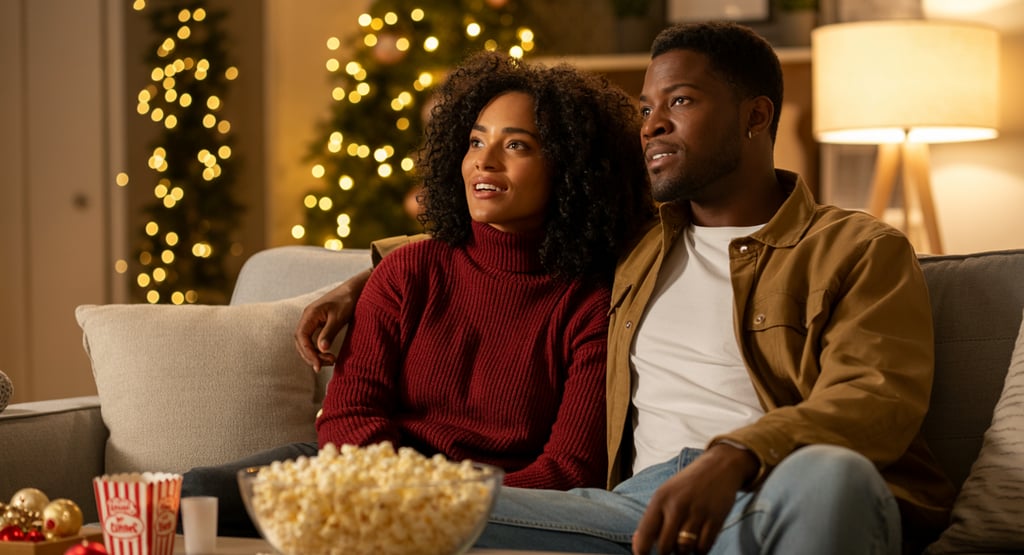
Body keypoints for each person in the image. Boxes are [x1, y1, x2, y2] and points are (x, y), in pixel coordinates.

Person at [296, 22, 957, 555]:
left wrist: (738, 454)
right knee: (407, 505)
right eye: (646, 107)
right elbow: (503, 240)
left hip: (778, 488)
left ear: (756, 116)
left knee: (834, 474)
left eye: (681, 102)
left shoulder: (859, 249)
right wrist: (366, 276)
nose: (652, 124)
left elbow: (874, 400)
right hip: (633, 507)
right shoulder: (638, 243)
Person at [183, 50, 653, 537]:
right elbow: (351, 414)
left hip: (496, 504)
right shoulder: (409, 270)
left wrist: (438, 507)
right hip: (362, 478)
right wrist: (394, 494)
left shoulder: (591, 305)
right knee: (196, 492)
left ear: (572, 170)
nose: (483, 162)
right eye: (475, 141)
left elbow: (569, 469)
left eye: (517, 146)